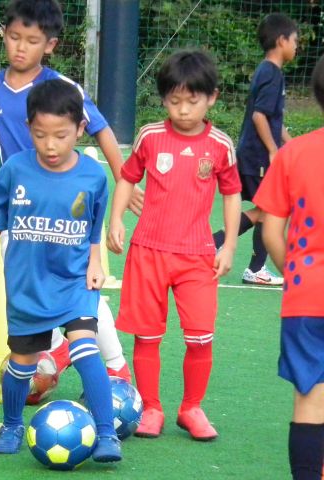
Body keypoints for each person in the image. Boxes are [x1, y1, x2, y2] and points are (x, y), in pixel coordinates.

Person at [0, 0, 135, 381]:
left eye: (32, 40)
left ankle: (115, 366)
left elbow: (101, 128)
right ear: (4, 36)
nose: (20, 47)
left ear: (49, 45)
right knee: (30, 289)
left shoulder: (61, 89)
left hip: (63, 209)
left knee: (75, 286)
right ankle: (47, 361)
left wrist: (125, 180)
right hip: (19, 211)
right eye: (14, 37)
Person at [0, 78, 121, 462]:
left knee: (86, 348)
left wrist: (94, 261)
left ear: (79, 129)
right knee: (22, 361)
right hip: (28, 283)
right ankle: (10, 424)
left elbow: (94, 224)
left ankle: (107, 435)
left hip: (74, 279)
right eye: (41, 135)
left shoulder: (93, 175)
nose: (51, 145)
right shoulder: (15, 169)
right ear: (29, 129)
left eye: (61, 135)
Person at [107, 50, 242, 441]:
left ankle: (191, 408)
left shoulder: (220, 145)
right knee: (147, 335)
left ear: (212, 97)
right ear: (164, 99)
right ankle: (151, 408)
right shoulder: (151, 136)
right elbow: (128, 177)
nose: (182, 110)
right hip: (147, 251)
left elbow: (232, 194)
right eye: (174, 101)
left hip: (198, 255)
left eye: (192, 101)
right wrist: (116, 219)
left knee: (201, 335)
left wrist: (229, 245)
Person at [254, 55, 324, 480]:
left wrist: (294, 273)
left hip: (305, 296)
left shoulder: (292, 154)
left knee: (309, 398)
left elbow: (270, 232)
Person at [212, 13, 298, 286]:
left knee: (267, 209)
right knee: (268, 211)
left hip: (255, 153)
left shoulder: (267, 70)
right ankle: (213, 244)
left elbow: (272, 119)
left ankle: (255, 267)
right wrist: (274, 150)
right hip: (258, 156)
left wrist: (289, 142)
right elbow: (259, 116)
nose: (297, 47)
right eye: (295, 41)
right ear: (281, 40)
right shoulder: (271, 74)